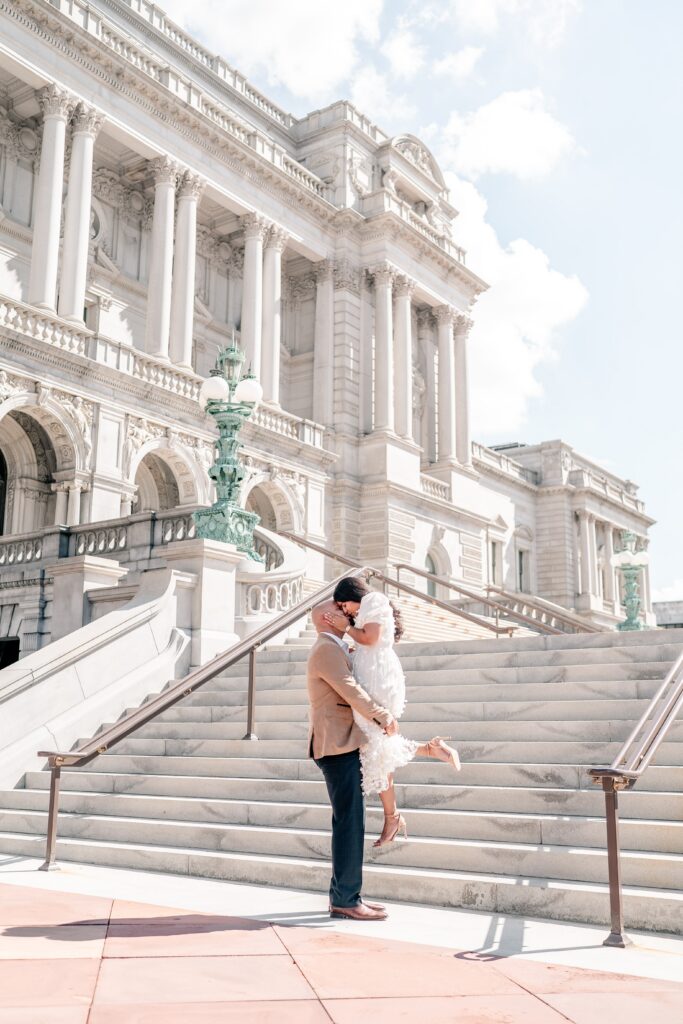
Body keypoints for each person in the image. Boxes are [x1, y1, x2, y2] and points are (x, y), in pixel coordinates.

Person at [324, 577, 461, 848]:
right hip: (374, 674)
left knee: (377, 746)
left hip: (378, 679)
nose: (345, 610)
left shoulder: (373, 600)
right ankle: (430, 751)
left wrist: (347, 627)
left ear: (355, 595)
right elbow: (370, 641)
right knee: (378, 745)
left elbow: (371, 637)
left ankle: (393, 816)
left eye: (344, 604)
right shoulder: (369, 607)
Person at [306, 599, 398, 921]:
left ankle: (344, 895)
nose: (348, 614)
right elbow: (350, 690)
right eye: (340, 610)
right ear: (328, 618)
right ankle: (346, 899)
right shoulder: (326, 650)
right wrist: (382, 715)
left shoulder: (335, 648)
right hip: (335, 745)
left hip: (341, 743)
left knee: (349, 821)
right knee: (350, 823)